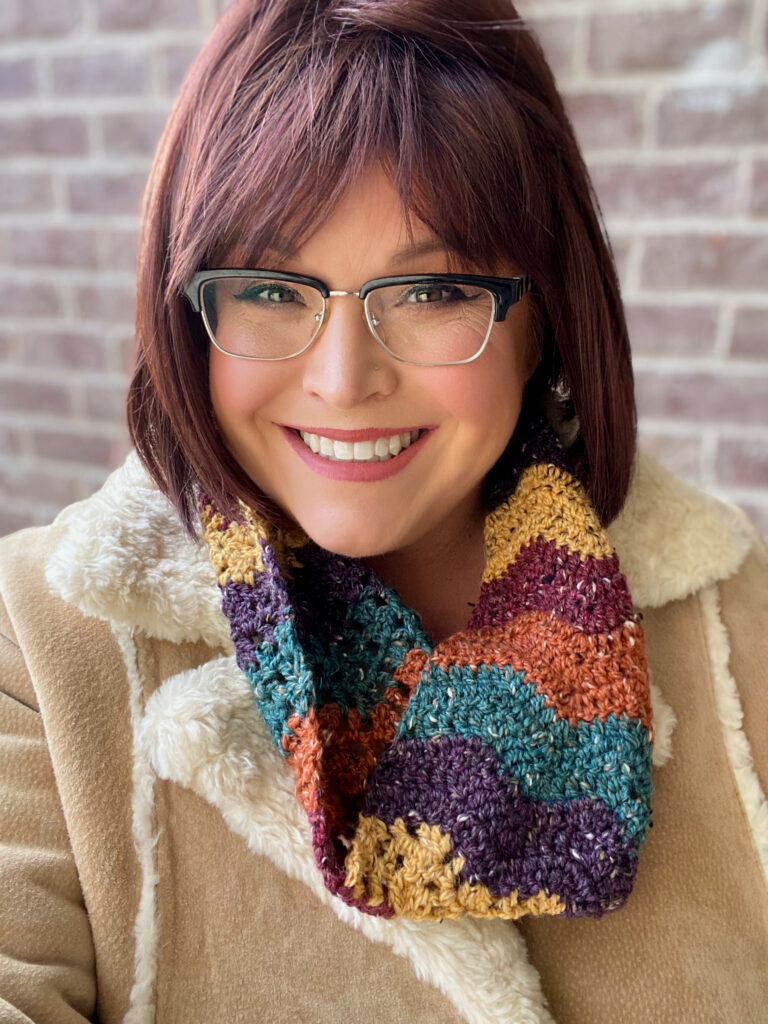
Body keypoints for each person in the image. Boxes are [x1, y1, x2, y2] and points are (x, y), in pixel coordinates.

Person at [1, 0, 766, 1021]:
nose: (342, 378)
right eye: (272, 289)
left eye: (432, 288)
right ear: (191, 311)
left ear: (543, 318)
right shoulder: (36, 649)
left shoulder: (743, 627)